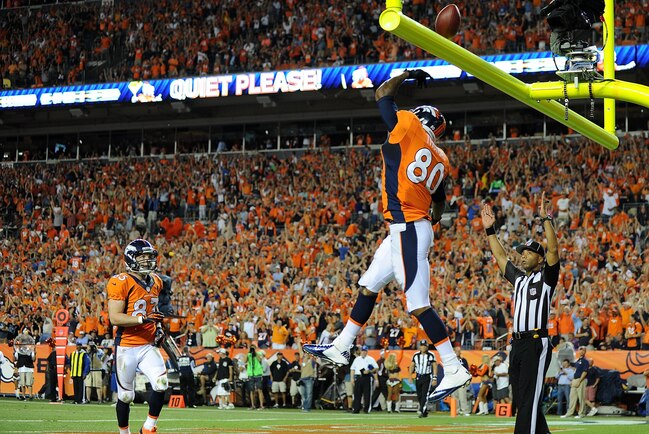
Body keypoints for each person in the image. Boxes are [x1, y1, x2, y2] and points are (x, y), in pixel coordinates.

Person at [304, 69, 470, 403]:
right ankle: (341, 346)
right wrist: (427, 220)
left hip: (407, 227)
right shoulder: (441, 157)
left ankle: (453, 367)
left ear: (418, 117)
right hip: (406, 228)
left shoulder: (407, 125)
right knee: (369, 285)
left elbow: (382, 93)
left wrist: (406, 75)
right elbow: (439, 203)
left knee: (418, 304)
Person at [481, 191, 560, 434]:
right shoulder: (519, 280)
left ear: (539, 258)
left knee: (528, 401)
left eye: (528, 252)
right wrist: (490, 231)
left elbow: (554, 252)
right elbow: (500, 256)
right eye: (522, 252)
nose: (522, 255)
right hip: (517, 345)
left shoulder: (546, 278)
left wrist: (546, 219)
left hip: (536, 342)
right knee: (524, 400)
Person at [106, 239, 169, 434]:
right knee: (126, 396)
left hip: (147, 345)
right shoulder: (120, 281)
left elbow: (153, 311)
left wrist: (158, 327)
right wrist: (143, 320)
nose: (148, 261)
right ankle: (124, 433)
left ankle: (148, 427)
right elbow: (115, 317)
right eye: (143, 257)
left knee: (161, 383)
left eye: (150, 257)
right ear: (131, 259)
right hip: (127, 346)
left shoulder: (156, 281)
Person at [409, 340, 437, 418]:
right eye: (422, 345)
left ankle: (421, 410)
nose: (423, 347)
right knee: (419, 395)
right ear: (420, 346)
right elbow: (412, 366)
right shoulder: (416, 355)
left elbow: (435, 366)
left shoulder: (431, 355)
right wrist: (410, 376)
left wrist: (434, 378)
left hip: (427, 376)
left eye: (425, 346)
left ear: (427, 347)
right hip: (418, 376)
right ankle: (424, 411)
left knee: (425, 394)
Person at [562, 346, 589, 418]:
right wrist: (573, 380)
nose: (582, 351)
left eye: (583, 350)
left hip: (581, 380)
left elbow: (585, 372)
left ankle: (581, 413)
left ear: (585, 352)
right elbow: (575, 370)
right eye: (580, 350)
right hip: (575, 379)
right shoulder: (577, 361)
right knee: (572, 397)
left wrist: (579, 381)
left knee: (581, 397)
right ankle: (569, 413)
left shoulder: (585, 361)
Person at [350, 345, 377, 414]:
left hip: (367, 377)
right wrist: (352, 378)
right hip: (358, 377)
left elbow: (376, 368)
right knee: (357, 394)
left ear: (367, 351)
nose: (363, 352)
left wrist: (369, 371)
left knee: (367, 394)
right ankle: (356, 409)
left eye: (365, 351)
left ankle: (366, 409)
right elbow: (352, 369)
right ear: (360, 351)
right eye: (362, 351)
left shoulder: (371, 359)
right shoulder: (357, 359)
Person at [13, 329, 36, 400]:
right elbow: (15, 359)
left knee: (29, 383)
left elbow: (33, 359)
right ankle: (23, 395)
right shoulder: (18, 350)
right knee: (22, 383)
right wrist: (13, 352)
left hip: (29, 367)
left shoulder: (30, 349)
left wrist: (34, 352)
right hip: (21, 367)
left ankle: (30, 395)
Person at [451, 346, 471, 416]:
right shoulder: (451, 361)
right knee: (455, 397)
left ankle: (465, 411)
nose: (458, 352)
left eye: (459, 351)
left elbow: (467, 370)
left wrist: (467, 379)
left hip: (461, 380)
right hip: (453, 381)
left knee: (462, 396)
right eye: (457, 351)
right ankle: (456, 411)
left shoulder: (463, 360)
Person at [247, 345, 265, 410]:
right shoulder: (249, 355)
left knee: (259, 390)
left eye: (253, 348)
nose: (252, 349)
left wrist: (255, 352)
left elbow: (260, 360)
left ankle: (261, 405)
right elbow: (245, 360)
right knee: (251, 390)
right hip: (251, 374)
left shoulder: (259, 353)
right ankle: (252, 405)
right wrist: (248, 352)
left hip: (258, 374)